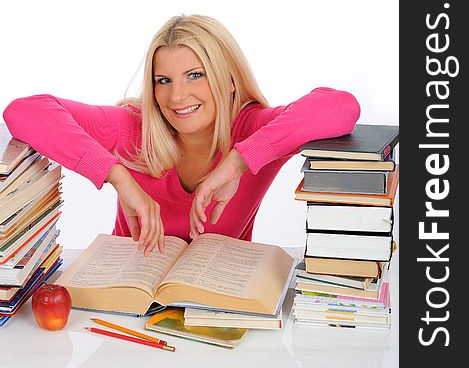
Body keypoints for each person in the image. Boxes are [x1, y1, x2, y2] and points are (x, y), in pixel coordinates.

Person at [3, 14, 360, 257]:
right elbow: (25, 111)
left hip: (214, 307)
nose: (177, 96)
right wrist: (117, 176)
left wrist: (237, 162)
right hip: (124, 313)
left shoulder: (253, 130)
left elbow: (340, 107)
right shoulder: (133, 127)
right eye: (164, 80)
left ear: (230, 80)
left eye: (195, 75)